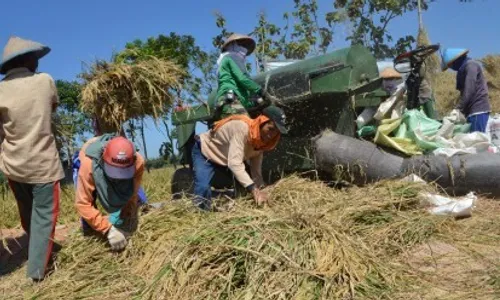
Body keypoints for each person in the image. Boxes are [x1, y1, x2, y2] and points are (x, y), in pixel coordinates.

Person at [0, 36, 64, 281]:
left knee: (28, 213)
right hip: (42, 164)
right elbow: (52, 107)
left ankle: (38, 248)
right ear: (25, 60)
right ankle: (36, 275)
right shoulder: (45, 81)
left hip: (13, 165)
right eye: (34, 58)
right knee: (44, 217)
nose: (37, 63)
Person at [192, 105, 288, 211]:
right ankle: (200, 214)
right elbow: (234, 164)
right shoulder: (242, 129)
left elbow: (256, 172)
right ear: (261, 122)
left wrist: (262, 190)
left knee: (242, 188)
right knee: (203, 188)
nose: (271, 135)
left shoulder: (260, 143)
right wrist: (254, 190)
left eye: (276, 132)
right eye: (270, 129)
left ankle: (222, 201)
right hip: (206, 152)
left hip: (225, 158)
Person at [74, 134, 144, 251]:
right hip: (88, 161)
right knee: (89, 221)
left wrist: (128, 216)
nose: (118, 177)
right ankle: (92, 235)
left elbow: (133, 193)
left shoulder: (138, 161)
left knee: (135, 207)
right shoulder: (88, 164)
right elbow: (83, 203)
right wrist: (108, 230)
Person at [441, 48, 491, 132]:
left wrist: (459, 108)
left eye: (450, 65)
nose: (451, 68)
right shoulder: (462, 70)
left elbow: (469, 89)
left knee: (477, 140)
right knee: (471, 141)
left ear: (456, 60)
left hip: (477, 109)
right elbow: (463, 92)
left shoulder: (471, 65)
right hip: (470, 111)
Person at [215, 33, 263, 118]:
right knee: (246, 126)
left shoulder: (223, 60)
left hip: (225, 101)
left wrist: (253, 102)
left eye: (244, 45)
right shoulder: (232, 57)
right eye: (240, 44)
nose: (243, 48)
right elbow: (242, 79)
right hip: (231, 100)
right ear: (232, 45)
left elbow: (242, 94)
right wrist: (260, 90)